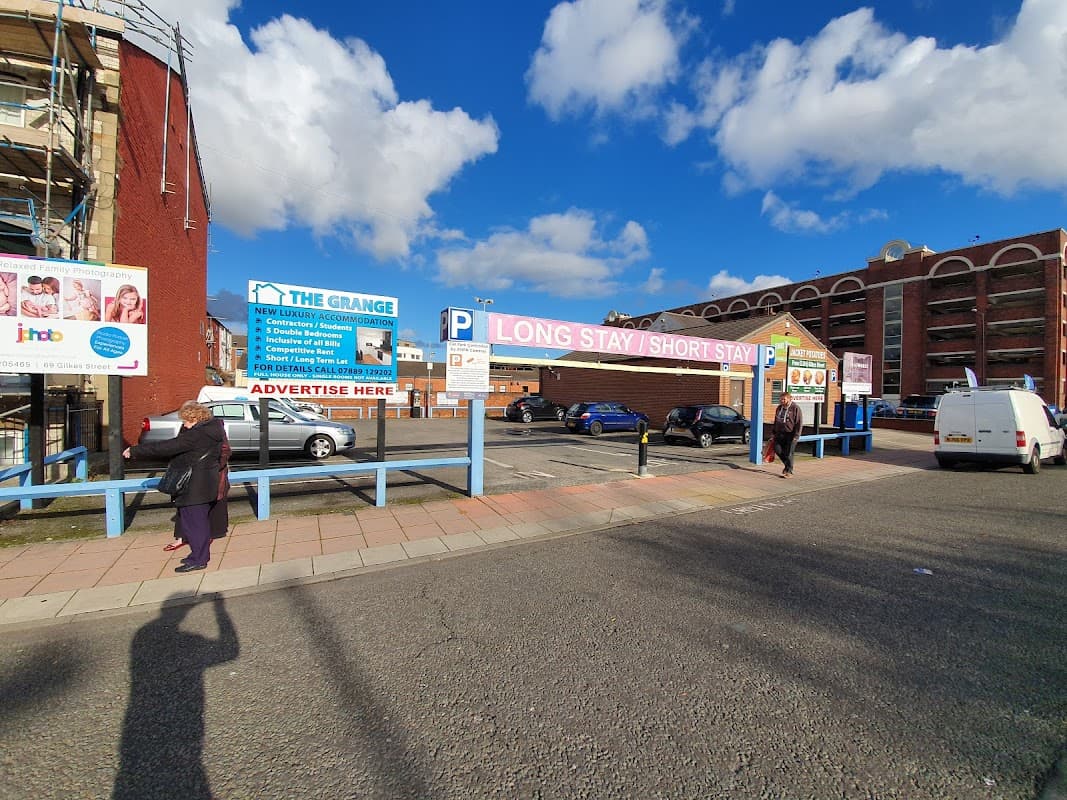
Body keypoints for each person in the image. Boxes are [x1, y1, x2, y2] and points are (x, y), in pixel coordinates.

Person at [123, 401, 224, 572]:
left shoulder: (197, 435)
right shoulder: (211, 430)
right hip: (205, 482)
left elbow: (167, 447)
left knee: (195, 524)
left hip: (194, 485)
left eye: (186, 421)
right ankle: (199, 555)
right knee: (199, 523)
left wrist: (135, 451)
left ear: (195, 418)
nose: (184, 424)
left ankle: (198, 560)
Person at [164, 417, 231, 553]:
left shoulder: (213, 430)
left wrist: (214, 466)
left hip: (208, 473)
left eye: (186, 420)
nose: (184, 423)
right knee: (184, 505)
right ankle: (182, 537)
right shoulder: (187, 429)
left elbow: (225, 450)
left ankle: (207, 537)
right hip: (188, 473)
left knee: (208, 504)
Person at [772, 391, 803, 478]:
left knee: (789, 452)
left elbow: (799, 423)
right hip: (780, 433)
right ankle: (787, 465)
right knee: (777, 449)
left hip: (791, 434)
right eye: (781, 399)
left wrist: (796, 436)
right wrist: (773, 432)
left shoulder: (795, 408)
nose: (782, 401)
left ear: (789, 399)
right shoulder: (779, 408)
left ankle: (789, 471)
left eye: (784, 399)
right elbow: (776, 420)